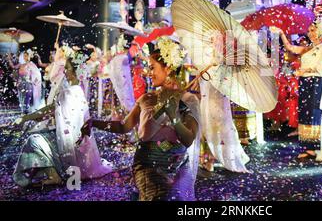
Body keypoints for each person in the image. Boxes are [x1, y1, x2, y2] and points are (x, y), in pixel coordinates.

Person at [80, 37, 200, 201]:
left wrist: (173, 117)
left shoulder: (188, 100)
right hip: (147, 167)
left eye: (153, 68)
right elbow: (124, 126)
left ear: (169, 68)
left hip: (177, 167)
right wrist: (95, 123)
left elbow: (188, 140)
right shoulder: (146, 98)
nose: (148, 72)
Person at [13, 46, 112, 187]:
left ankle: (53, 175)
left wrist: (25, 118)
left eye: (67, 69)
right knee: (44, 134)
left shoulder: (67, 93)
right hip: (82, 154)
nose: (64, 72)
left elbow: (49, 110)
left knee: (33, 139)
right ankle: (49, 171)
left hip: (70, 153)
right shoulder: (80, 91)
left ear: (75, 72)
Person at [270, 22, 322, 162]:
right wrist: (281, 34)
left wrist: (304, 70)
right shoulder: (308, 49)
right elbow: (290, 48)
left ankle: (313, 147)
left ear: (320, 31)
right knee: (304, 113)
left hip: (316, 82)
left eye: (313, 30)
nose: (310, 33)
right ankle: (307, 146)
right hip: (304, 82)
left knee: (313, 112)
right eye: (309, 30)